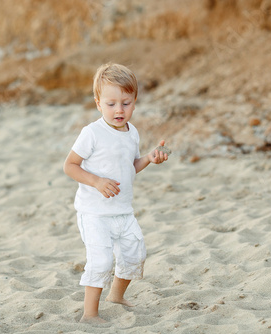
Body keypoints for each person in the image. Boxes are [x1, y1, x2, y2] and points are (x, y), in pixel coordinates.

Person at [63, 63, 169, 323]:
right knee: (100, 262)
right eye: (111, 104)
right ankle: (90, 314)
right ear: (98, 103)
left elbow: (129, 167)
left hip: (122, 210)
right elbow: (70, 166)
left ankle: (117, 296)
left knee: (135, 254)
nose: (119, 110)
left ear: (134, 101)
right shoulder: (92, 133)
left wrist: (149, 159)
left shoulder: (132, 133)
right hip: (95, 212)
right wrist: (96, 181)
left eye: (126, 103)